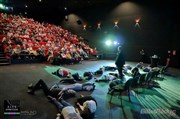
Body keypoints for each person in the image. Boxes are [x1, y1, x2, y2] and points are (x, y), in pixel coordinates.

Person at [27, 79, 95, 98]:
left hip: (79, 85)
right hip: (51, 91)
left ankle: (33, 89)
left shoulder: (64, 94)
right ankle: (33, 88)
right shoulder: (65, 93)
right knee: (44, 86)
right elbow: (87, 89)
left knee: (42, 83)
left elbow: (68, 88)